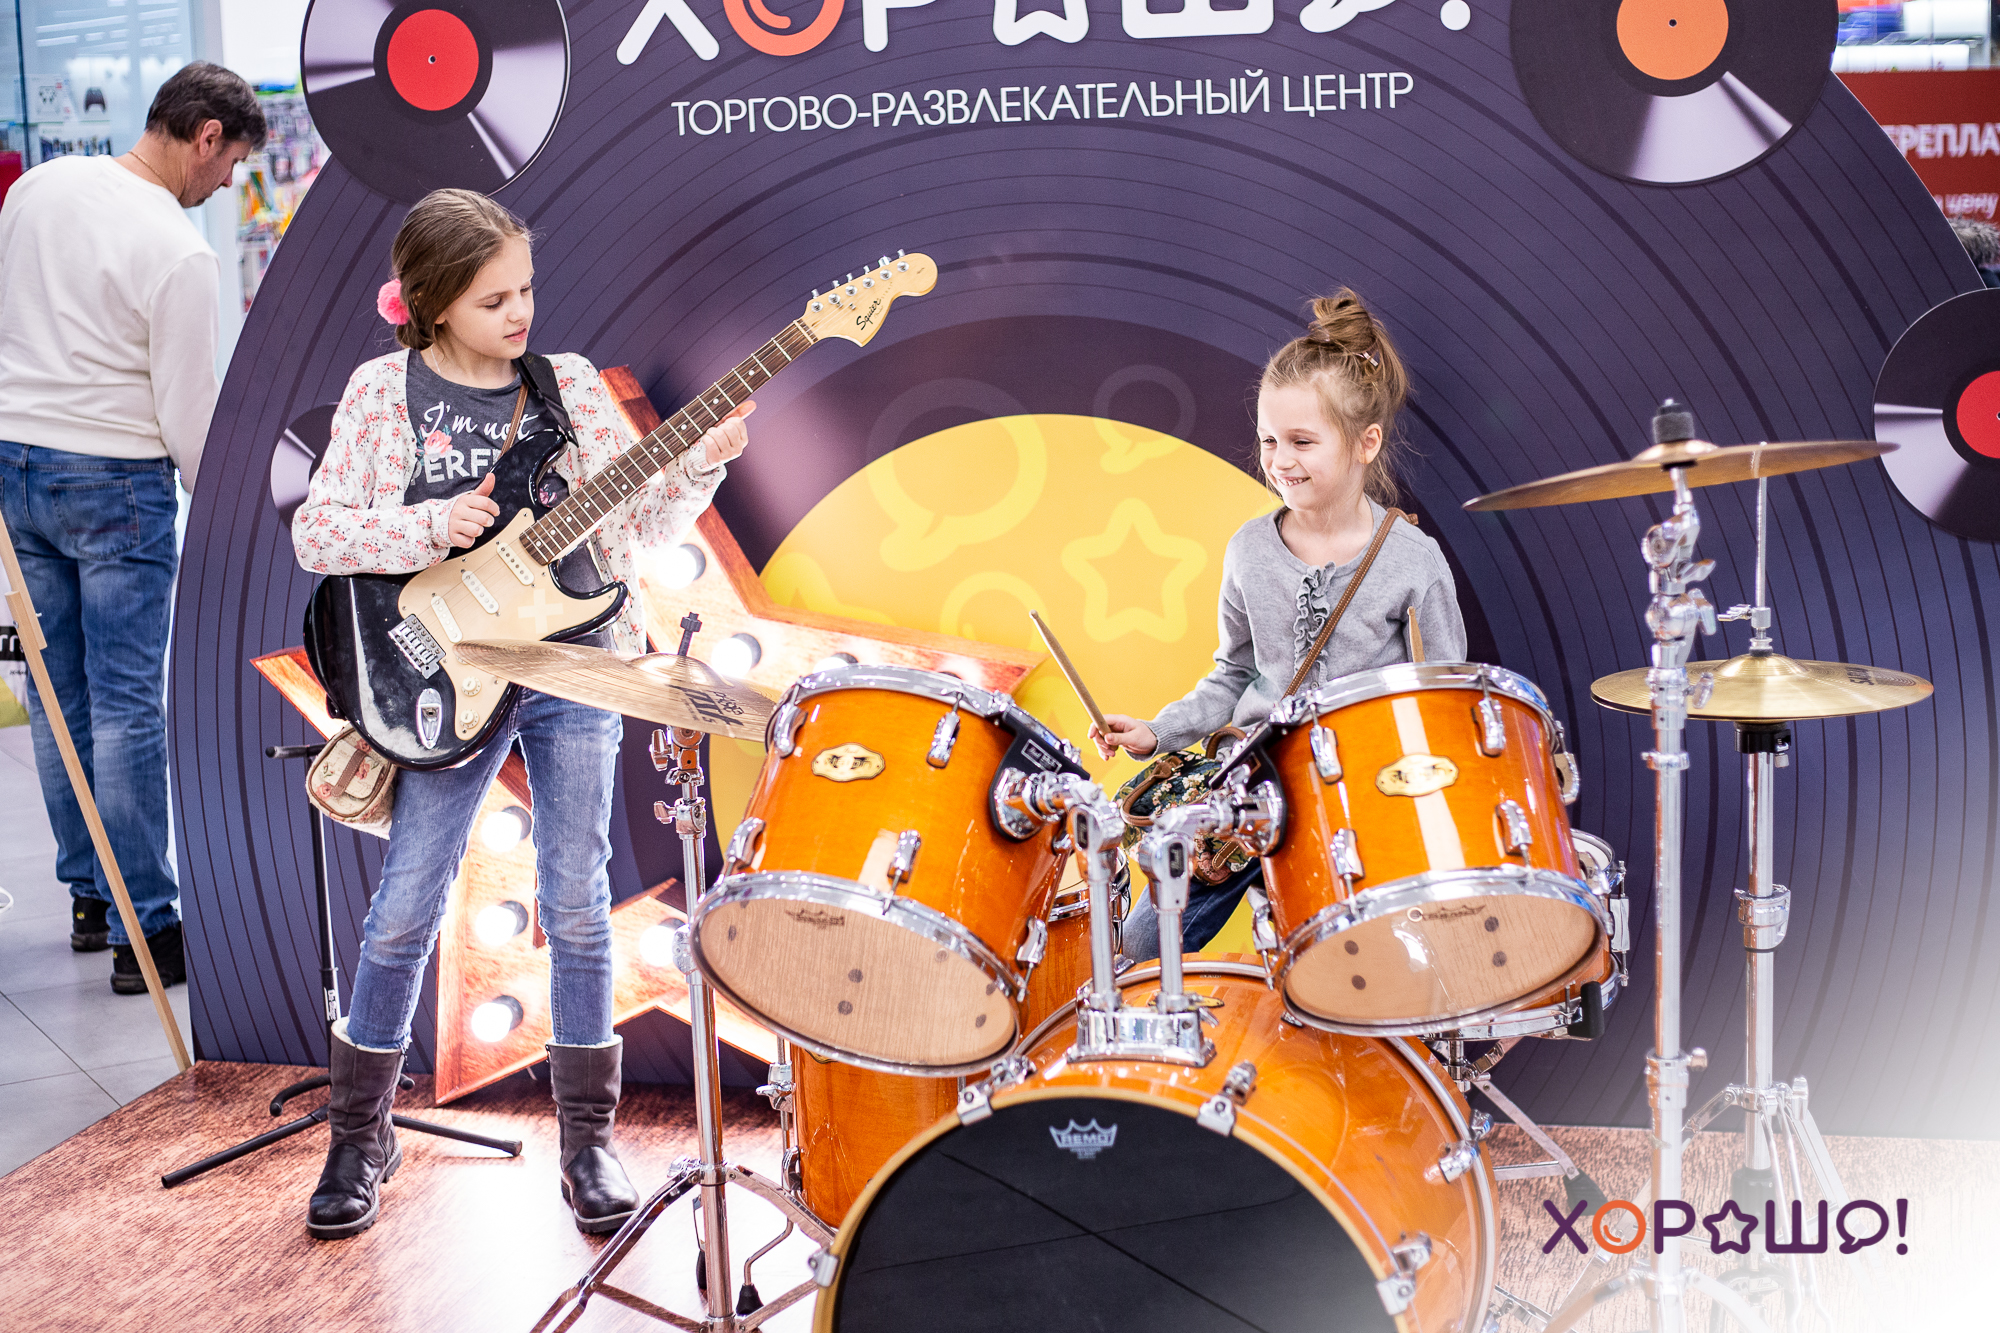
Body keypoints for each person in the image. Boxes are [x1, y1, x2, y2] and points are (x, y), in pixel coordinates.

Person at [290, 189, 751, 1240]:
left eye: (526, 290)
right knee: (405, 903)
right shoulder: (382, 392)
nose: (519, 313)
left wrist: (702, 463)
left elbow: (627, 534)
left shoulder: (568, 384)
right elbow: (319, 532)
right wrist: (426, 524)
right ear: (432, 302)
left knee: (578, 897)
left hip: (572, 660)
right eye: (493, 299)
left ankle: (587, 1141)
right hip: (446, 668)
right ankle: (359, 1137)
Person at [1090, 290, 1466, 959]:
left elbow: (1441, 704)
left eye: (1302, 442)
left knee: (1351, 966)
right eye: (1269, 440)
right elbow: (1233, 675)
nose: (1279, 460)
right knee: (1138, 948)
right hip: (1245, 788)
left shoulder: (1415, 562)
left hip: (1356, 798)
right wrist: (1157, 731)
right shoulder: (1248, 550)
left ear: (1365, 443)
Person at [0, 63, 265, 993]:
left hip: (15, 467)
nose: (228, 182)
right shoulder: (177, 251)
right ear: (204, 136)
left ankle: (88, 896)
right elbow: (188, 417)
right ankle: (144, 927)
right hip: (115, 482)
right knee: (123, 704)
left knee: (56, 695)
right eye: (231, 162)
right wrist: (230, 511)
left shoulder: (38, 190)